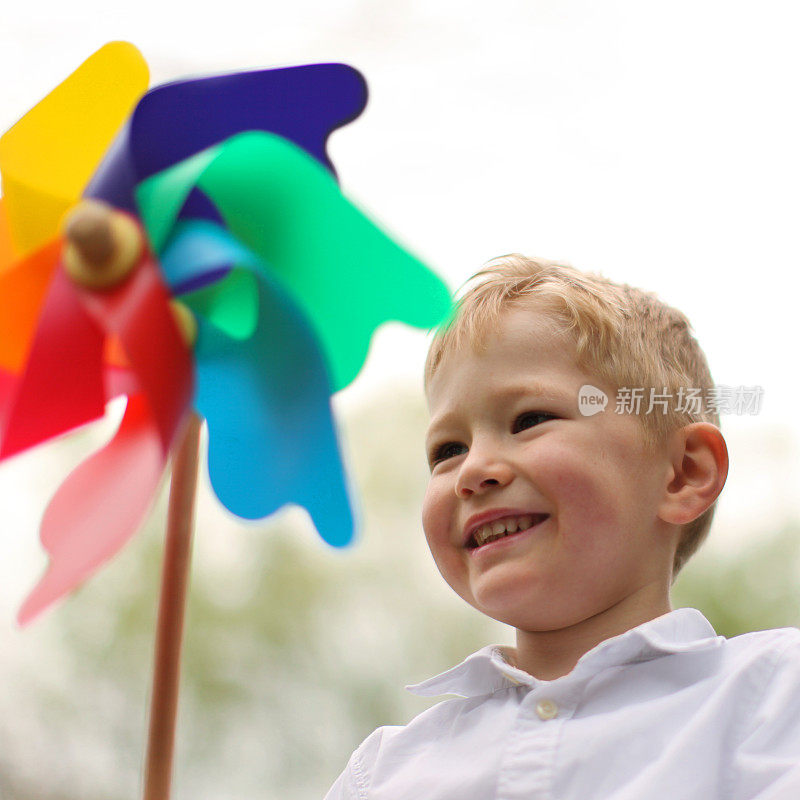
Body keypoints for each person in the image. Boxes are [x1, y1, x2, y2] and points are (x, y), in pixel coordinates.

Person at [324, 254, 800, 799]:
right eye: (448, 450)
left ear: (682, 474)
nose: (474, 471)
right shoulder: (384, 773)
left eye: (530, 419)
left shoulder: (773, 695)